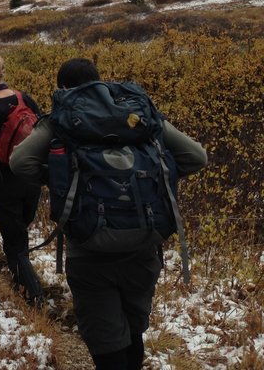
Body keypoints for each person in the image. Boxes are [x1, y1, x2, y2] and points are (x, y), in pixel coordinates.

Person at [10, 58, 207, 370]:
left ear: (63, 88)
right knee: (133, 331)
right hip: (143, 246)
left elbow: (19, 163)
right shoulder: (136, 113)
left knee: (107, 343)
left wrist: (60, 178)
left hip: (89, 253)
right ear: (99, 81)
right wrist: (158, 175)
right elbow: (197, 157)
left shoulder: (62, 117)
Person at [0, 52, 44, 304]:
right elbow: (43, 133)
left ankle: (32, 291)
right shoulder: (25, 98)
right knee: (21, 230)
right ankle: (22, 279)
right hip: (33, 178)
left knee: (13, 238)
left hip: (5, 180)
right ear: (2, 72)